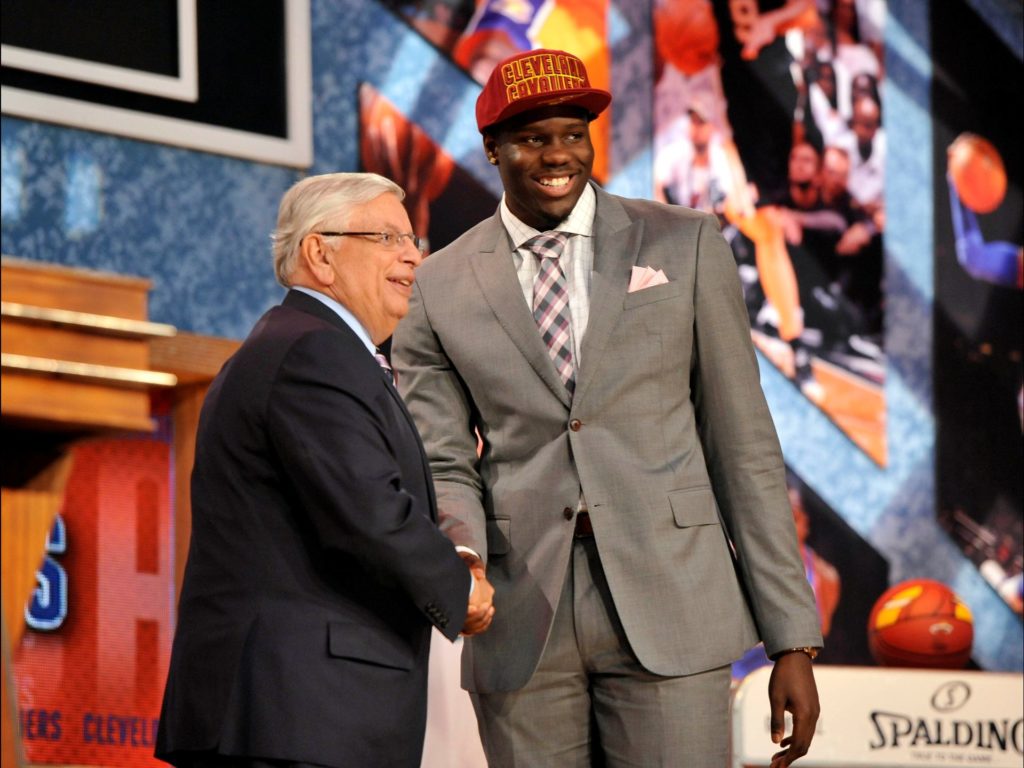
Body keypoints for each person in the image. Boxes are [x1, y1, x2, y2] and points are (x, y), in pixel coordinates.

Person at [393, 48, 822, 767]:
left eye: (573, 133)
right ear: (492, 148)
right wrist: (463, 555)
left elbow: (741, 444)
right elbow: (440, 456)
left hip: (674, 598)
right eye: (532, 139)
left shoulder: (683, 242)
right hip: (521, 610)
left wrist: (793, 636)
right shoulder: (436, 285)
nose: (558, 154)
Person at [155, 172, 495, 768]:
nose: (413, 255)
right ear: (320, 253)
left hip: (292, 715)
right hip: (296, 716)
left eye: (412, 240)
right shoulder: (316, 351)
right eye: (389, 238)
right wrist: (459, 586)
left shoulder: (300, 345)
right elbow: (369, 512)